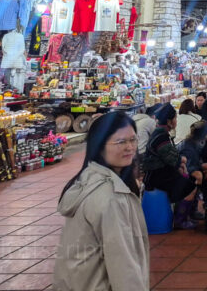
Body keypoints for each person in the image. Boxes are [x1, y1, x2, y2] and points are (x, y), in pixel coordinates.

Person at [54, 112, 148, 291]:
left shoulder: (86, 179)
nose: (130, 147)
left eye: (133, 140)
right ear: (99, 146)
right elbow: (123, 265)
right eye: (121, 142)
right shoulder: (110, 197)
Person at [140, 105, 201, 228]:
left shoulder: (162, 134)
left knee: (189, 177)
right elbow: (172, 159)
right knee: (190, 186)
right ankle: (180, 220)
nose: (176, 121)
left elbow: (172, 157)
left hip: (161, 172)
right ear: (169, 121)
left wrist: (180, 163)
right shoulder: (161, 136)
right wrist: (181, 161)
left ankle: (188, 214)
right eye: (175, 118)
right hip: (156, 176)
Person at [178, 120, 207, 209]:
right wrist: (200, 167)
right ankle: (193, 208)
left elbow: (195, 161)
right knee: (198, 175)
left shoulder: (197, 142)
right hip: (181, 171)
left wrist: (202, 165)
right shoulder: (188, 147)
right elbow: (189, 167)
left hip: (191, 166)